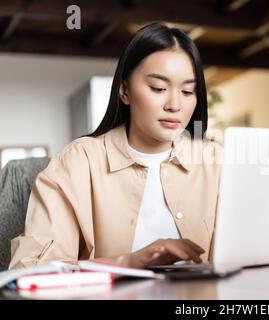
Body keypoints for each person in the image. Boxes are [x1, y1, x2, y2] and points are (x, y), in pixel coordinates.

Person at [9, 22, 222, 270]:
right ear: (124, 91)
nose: (175, 105)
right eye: (158, 88)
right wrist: (128, 262)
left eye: (188, 91)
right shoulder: (80, 162)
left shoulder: (216, 161)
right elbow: (32, 270)